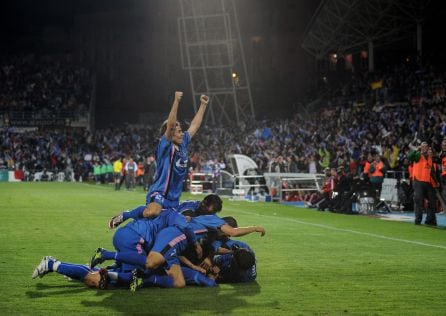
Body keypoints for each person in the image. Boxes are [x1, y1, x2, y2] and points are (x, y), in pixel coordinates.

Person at [140, 92, 209, 219]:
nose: (182, 133)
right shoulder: (165, 146)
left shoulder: (183, 144)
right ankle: (131, 214)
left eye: (182, 130)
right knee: (153, 213)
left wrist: (203, 105)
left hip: (174, 198)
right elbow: (171, 126)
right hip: (159, 193)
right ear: (170, 134)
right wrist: (176, 101)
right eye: (178, 131)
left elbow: (194, 125)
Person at [408, 141, 438, 226]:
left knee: (432, 201)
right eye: (422, 146)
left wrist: (436, 182)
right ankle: (418, 220)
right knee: (418, 201)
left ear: (428, 147)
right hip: (418, 181)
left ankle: (429, 220)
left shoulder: (429, 157)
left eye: (426, 146)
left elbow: (431, 171)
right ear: (420, 147)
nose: (424, 147)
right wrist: (416, 150)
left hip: (428, 182)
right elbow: (409, 157)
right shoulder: (418, 155)